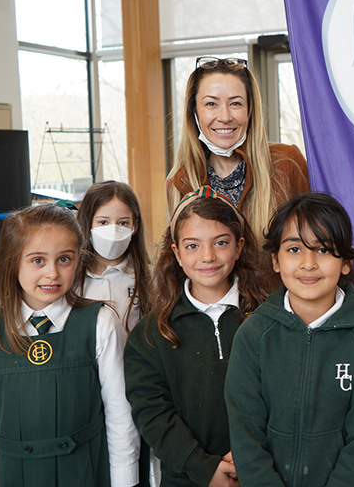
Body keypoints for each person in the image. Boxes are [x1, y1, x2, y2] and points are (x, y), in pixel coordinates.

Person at [225, 192, 354, 487]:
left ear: (345, 262)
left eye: (324, 250)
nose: (309, 263)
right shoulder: (253, 335)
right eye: (294, 250)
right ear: (275, 260)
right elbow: (245, 435)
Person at [0, 204, 139, 487]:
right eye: (37, 260)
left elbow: (121, 419)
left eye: (64, 259)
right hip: (16, 475)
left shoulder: (100, 324)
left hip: (85, 471)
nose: (52, 273)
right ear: (14, 262)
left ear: (78, 260)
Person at [124, 186, 270, 487]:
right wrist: (204, 468)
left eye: (221, 243)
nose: (207, 256)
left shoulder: (270, 319)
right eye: (192, 246)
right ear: (176, 253)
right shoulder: (151, 336)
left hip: (262, 473)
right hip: (187, 480)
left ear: (239, 246)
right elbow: (153, 414)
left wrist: (252, 459)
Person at [165, 56, 309, 242]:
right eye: (211, 104)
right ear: (194, 112)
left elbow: (315, 241)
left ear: (249, 110)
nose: (224, 117)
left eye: (235, 103)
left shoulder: (287, 162)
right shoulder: (179, 182)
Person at [77, 180, 151, 333]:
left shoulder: (150, 276)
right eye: (103, 222)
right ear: (88, 222)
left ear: (134, 227)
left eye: (123, 223)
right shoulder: (71, 277)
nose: (113, 230)